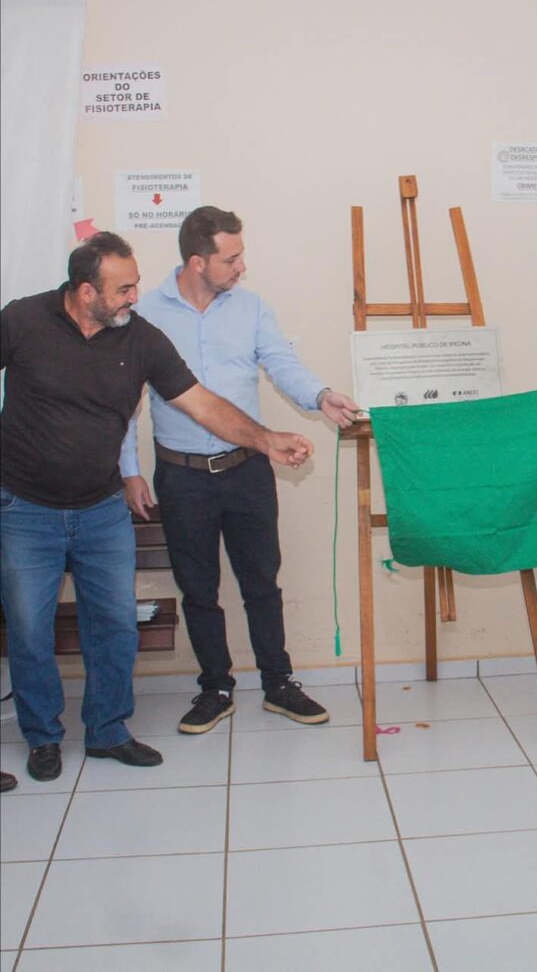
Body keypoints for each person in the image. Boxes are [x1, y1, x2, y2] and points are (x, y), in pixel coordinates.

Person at [0, 232, 313, 781]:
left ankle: (107, 730)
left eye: (136, 285)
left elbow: (202, 403)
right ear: (85, 291)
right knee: (29, 632)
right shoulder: (22, 320)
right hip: (26, 509)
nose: (134, 296)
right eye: (123, 289)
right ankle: (43, 737)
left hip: (101, 510)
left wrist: (265, 440)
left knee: (116, 625)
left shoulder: (140, 339)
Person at [120, 206, 359, 735]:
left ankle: (278, 682)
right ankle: (215, 688)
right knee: (198, 588)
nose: (241, 266)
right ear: (197, 261)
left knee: (261, 581)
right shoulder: (147, 313)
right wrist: (130, 470)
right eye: (231, 258)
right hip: (181, 475)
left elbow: (282, 364)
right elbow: (124, 397)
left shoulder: (250, 308)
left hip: (247, 468)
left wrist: (320, 396)